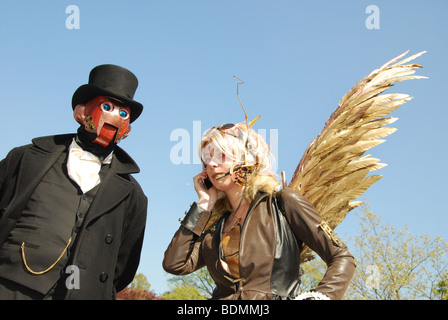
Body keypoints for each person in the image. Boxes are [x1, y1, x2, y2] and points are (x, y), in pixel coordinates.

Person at [0, 64, 148, 299]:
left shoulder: (134, 196)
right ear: (81, 111)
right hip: (11, 286)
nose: (114, 118)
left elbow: (123, 265)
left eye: (123, 113)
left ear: (128, 129)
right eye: (107, 107)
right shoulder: (26, 158)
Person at [163, 121, 356, 300]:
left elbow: (342, 257)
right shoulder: (214, 228)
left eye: (221, 155)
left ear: (247, 158)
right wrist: (203, 205)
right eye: (207, 158)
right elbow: (174, 264)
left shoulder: (282, 204)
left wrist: (319, 297)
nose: (212, 164)